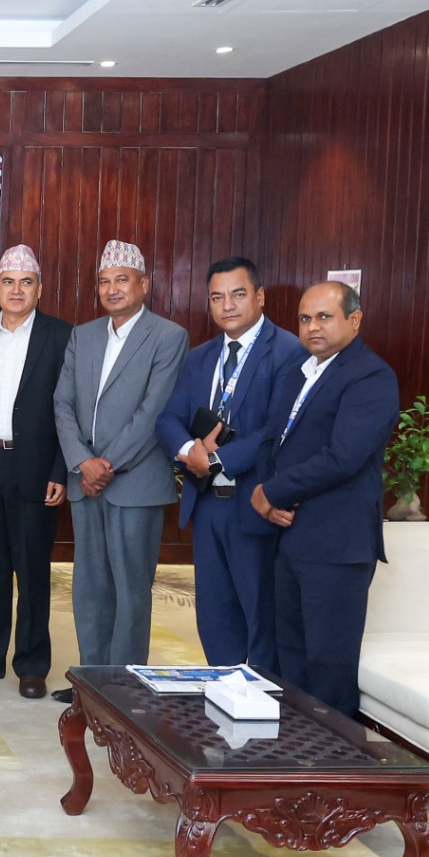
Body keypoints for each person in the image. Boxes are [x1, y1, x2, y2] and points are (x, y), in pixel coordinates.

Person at [51, 240, 188, 703]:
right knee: (89, 587)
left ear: (144, 284)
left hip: (135, 482)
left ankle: (123, 690)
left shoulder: (168, 336)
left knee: (130, 590)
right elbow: (62, 403)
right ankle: (91, 684)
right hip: (85, 481)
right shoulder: (83, 335)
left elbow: (154, 411)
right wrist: (82, 462)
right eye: (104, 281)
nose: (112, 289)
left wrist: (104, 465)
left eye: (122, 280)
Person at [252, 281, 397, 716]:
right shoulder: (301, 372)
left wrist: (271, 491)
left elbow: (342, 457)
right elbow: (274, 442)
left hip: (336, 545)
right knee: (291, 657)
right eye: (304, 318)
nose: (313, 327)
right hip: (291, 537)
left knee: (328, 666)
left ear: (355, 319)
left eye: (324, 317)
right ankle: (295, 749)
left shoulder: (371, 376)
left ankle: (331, 757)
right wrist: (269, 495)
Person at [156, 257, 303, 672]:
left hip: (254, 502)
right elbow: (168, 419)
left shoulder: (289, 351)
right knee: (215, 614)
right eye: (217, 297)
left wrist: (216, 459)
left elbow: (276, 429)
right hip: (207, 505)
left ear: (259, 296)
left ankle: (265, 699)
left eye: (238, 295)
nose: (227, 306)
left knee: (260, 614)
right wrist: (190, 451)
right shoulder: (200, 357)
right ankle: (224, 691)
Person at [0, 245, 72, 699]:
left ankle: (32, 664)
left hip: (37, 467)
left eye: (25, 282)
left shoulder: (60, 335)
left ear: (39, 289)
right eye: (8, 282)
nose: (16, 290)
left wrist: (60, 468)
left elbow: (68, 408)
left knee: (33, 569)